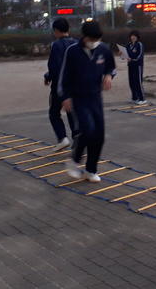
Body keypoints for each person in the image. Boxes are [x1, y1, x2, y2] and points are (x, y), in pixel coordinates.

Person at [58, 20, 116, 183]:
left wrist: (108, 75)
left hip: (95, 97)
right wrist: (64, 97)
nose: (94, 42)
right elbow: (63, 78)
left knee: (99, 135)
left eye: (97, 39)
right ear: (84, 37)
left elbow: (111, 67)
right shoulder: (72, 51)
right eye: (92, 39)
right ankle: (74, 159)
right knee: (88, 130)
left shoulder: (103, 49)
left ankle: (91, 170)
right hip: (78, 98)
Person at [44, 19, 77, 150]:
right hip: (74, 85)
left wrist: (48, 76)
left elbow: (54, 67)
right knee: (71, 111)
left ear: (56, 31)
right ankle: (77, 138)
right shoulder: (76, 43)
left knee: (54, 113)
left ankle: (62, 138)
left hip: (60, 86)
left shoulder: (56, 45)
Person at [125, 30, 146, 104]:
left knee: (138, 82)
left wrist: (133, 59)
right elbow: (125, 55)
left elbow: (140, 55)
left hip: (138, 65)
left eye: (134, 36)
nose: (133, 37)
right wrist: (122, 54)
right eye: (132, 36)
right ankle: (135, 98)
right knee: (131, 82)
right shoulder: (128, 45)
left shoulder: (139, 44)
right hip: (130, 65)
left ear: (137, 37)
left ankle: (142, 99)